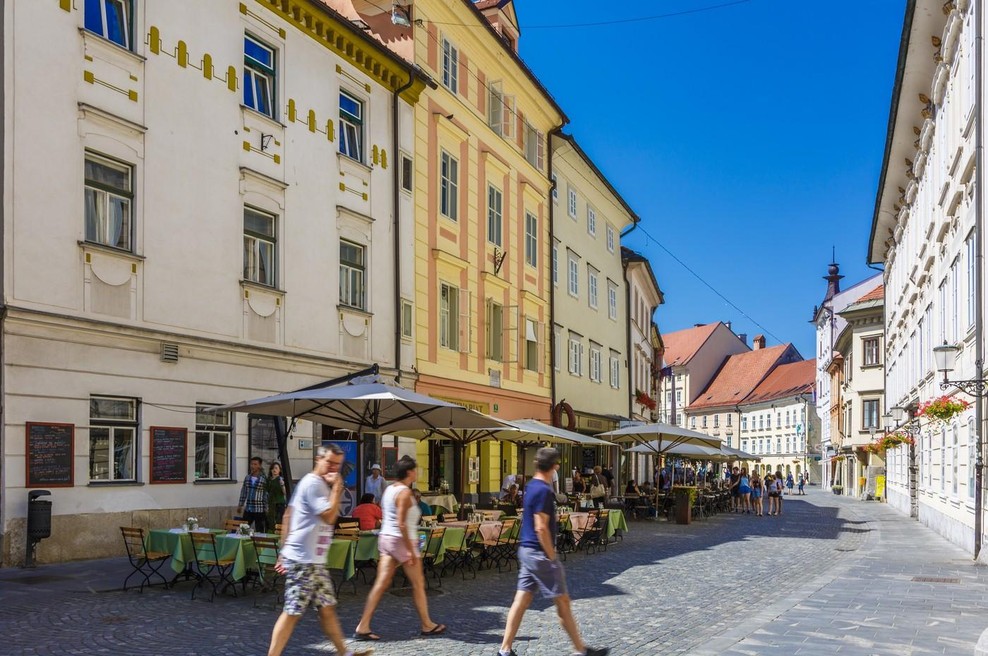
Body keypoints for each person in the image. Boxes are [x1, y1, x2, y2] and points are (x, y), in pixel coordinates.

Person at [497, 447, 608, 656]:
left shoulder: (530, 486)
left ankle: (504, 650)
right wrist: (551, 555)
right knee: (562, 601)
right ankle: (581, 650)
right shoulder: (544, 491)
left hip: (527, 550)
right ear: (554, 466)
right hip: (540, 553)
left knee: (521, 601)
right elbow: (541, 526)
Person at [266, 445, 369, 656]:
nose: (333, 468)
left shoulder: (313, 483)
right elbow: (330, 517)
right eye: (329, 462)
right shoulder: (314, 484)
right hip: (304, 560)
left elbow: (288, 514)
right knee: (292, 612)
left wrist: (282, 550)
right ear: (318, 459)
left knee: (327, 609)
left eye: (337, 465)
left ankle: (344, 652)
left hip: (314, 559)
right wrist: (338, 489)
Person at [354, 455, 446, 642]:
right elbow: (402, 523)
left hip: (386, 539)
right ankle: (427, 624)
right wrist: (412, 552)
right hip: (402, 541)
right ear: (410, 472)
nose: (417, 472)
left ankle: (363, 625)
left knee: (380, 584)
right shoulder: (404, 493)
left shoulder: (389, 489)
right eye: (415, 469)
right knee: (418, 584)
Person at [238, 456, 269, 533]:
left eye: (255, 464)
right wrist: (240, 505)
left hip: (259, 509)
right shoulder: (247, 477)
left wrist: (267, 507)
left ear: (259, 466)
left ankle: (260, 544)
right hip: (249, 508)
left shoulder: (264, 479)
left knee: (260, 531)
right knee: (244, 530)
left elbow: (266, 494)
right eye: (251, 464)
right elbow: (244, 492)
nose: (253, 466)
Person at [266, 462, 287, 530]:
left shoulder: (280, 479)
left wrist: (282, 485)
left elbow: (284, 492)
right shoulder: (269, 480)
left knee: (279, 521)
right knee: (271, 521)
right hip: (271, 504)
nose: (274, 470)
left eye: (276, 468)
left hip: (279, 503)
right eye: (272, 468)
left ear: (279, 470)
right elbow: (267, 492)